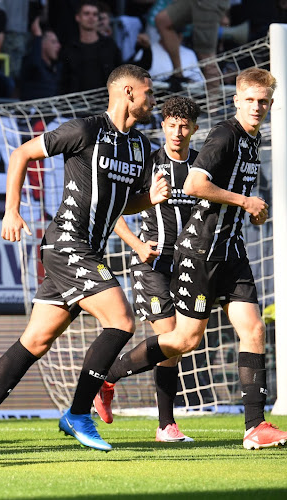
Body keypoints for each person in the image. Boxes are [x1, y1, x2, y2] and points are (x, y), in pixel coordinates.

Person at [0, 64, 169, 462]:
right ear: (126, 92)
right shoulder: (85, 130)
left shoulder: (139, 146)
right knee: (121, 321)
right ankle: (78, 414)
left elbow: (124, 202)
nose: (152, 100)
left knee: (35, 340)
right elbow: (21, 153)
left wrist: (149, 199)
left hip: (90, 250)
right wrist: (12, 211)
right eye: (148, 93)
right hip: (67, 243)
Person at [94, 68, 287, 450]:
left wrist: (245, 210)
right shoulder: (225, 135)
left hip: (231, 250)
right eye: (249, 100)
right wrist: (245, 201)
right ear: (236, 101)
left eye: (263, 101)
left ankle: (255, 426)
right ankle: (106, 377)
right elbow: (194, 184)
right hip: (200, 252)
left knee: (254, 330)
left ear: (271, 103)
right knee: (184, 340)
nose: (256, 107)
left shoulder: (253, 140)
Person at [97, 96, 201, 442]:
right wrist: (138, 245)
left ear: (194, 130)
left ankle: (108, 377)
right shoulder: (148, 163)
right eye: (171, 125)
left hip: (188, 264)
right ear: (163, 127)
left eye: (184, 126)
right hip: (152, 261)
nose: (177, 131)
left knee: (178, 343)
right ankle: (165, 425)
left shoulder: (201, 168)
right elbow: (115, 209)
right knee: (170, 334)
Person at [155, 0, 229, 91]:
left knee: (206, 57)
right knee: (162, 20)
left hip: (208, 4)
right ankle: (178, 74)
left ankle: (213, 104)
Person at [60, 0, 122, 94]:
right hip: (77, 103)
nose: (91, 18)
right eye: (86, 14)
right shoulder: (69, 49)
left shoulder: (109, 46)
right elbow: (63, 81)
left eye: (95, 14)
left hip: (106, 101)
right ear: (78, 17)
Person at [20, 20, 62, 100]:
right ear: (42, 44)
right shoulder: (30, 64)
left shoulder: (57, 69)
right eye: (53, 42)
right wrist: (38, 36)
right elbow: (35, 64)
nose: (58, 46)